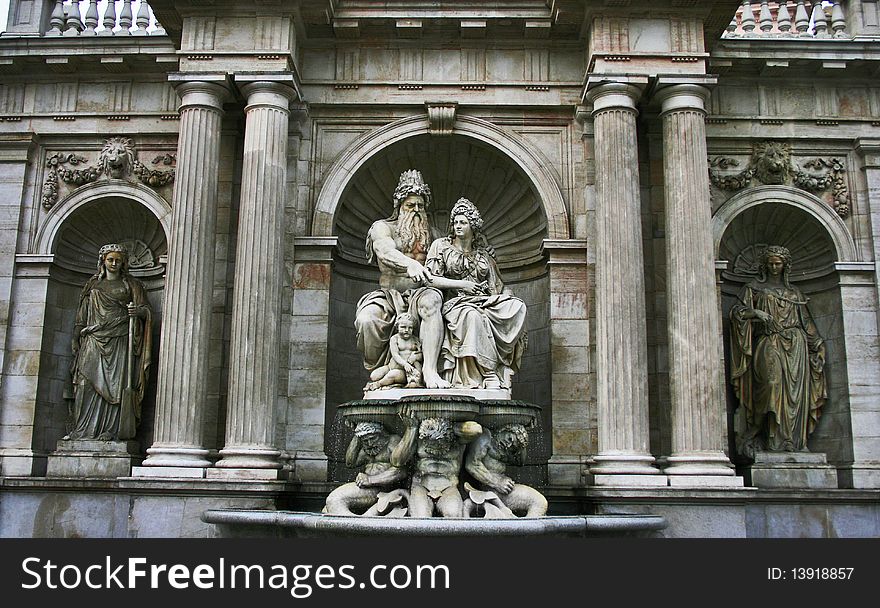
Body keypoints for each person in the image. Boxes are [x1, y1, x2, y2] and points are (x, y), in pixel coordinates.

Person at [355, 170, 450, 389]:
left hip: (423, 292)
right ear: (399, 206)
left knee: (432, 302)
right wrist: (411, 264)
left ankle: (430, 370)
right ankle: (381, 370)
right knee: (367, 319)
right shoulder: (383, 228)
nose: (416, 211)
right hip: (390, 295)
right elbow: (384, 250)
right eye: (410, 205)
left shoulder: (433, 234)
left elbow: (452, 258)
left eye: (420, 206)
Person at [729, 245, 827, 457]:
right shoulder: (753, 288)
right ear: (764, 265)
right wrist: (755, 312)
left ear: (785, 266)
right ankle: (766, 436)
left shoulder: (795, 293)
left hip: (796, 345)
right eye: (771, 263)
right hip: (768, 341)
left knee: (795, 395)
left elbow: (806, 322)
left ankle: (792, 441)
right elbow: (736, 314)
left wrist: (817, 343)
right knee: (771, 386)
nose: (774, 267)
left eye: (778, 263)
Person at [425, 198, 527, 389]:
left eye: (462, 222)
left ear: (473, 226)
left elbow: (497, 285)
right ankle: (489, 374)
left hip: (484, 301)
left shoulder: (484, 255)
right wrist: (462, 284)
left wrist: (508, 295)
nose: (457, 226)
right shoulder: (441, 246)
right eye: (455, 222)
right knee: (472, 316)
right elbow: (429, 278)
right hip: (455, 303)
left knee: (518, 306)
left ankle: (498, 367)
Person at [66, 244, 152, 440]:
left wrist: (138, 312)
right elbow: (82, 316)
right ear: (103, 261)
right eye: (110, 259)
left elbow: (146, 311)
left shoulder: (132, 285)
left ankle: (111, 430)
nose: (114, 263)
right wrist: (76, 337)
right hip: (93, 339)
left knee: (116, 386)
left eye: (118, 260)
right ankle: (82, 430)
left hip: (120, 339)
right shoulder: (92, 285)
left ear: (123, 263)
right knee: (84, 383)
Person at [391, 409, 482, 518]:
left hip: (448, 486)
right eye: (429, 443)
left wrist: (449, 427)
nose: (432, 447)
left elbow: (476, 430)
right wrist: (411, 429)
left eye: (438, 443)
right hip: (421, 485)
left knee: (453, 515)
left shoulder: (458, 440)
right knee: (421, 517)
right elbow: (396, 461)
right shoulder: (419, 438)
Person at [324, 422, 408, 516]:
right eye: (365, 440)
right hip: (367, 487)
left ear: (382, 434)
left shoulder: (392, 441)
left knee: (335, 499)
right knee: (330, 504)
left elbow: (401, 471)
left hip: (382, 488)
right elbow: (350, 463)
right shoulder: (367, 448)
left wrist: (370, 480)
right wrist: (357, 436)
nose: (370, 443)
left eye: (373, 438)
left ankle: (353, 527)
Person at [464, 424, 548, 517]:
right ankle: (526, 530)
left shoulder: (505, 447)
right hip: (492, 489)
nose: (508, 444)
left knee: (539, 502)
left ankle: (525, 529)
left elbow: (520, 461)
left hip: (502, 489)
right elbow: (471, 464)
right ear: (504, 429)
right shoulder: (485, 437)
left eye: (513, 445)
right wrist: (497, 483)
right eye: (509, 439)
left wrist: (522, 441)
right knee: (538, 502)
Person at [364, 313, 423, 391]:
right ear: (397, 327)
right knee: (374, 375)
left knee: (392, 375)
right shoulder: (394, 338)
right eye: (403, 327)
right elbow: (395, 355)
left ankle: (378, 384)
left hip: (406, 372)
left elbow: (422, 354)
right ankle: (382, 381)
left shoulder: (415, 340)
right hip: (391, 366)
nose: (406, 330)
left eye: (410, 328)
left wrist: (415, 357)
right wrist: (405, 364)